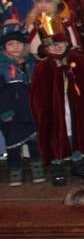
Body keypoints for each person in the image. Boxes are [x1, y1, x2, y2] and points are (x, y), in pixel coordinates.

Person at [30, 12, 84, 185]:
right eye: (52, 45)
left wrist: (72, 70)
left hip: (74, 107)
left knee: (75, 133)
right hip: (53, 109)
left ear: (67, 43)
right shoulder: (43, 66)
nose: (57, 48)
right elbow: (38, 93)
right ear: (45, 47)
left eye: (60, 43)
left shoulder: (76, 59)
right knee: (55, 134)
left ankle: (77, 161)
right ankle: (56, 165)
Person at [0, 23, 39, 184]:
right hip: (11, 113)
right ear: (4, 47)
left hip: (31, 110)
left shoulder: (32, 63)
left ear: (25, 45)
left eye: (18, 43)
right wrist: (5, 111)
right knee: (13, 144)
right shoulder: (2, 67)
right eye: (10, 44)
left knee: (35, 142)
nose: (15, 47)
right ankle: (15, 169)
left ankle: (37, 168)